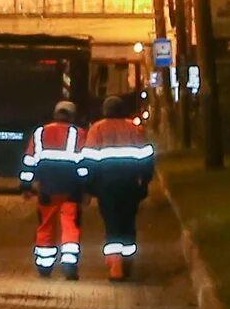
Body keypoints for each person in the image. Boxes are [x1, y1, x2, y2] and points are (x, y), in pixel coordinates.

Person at [83, 92, 158, 279]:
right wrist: (145, 181)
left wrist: (88, 186)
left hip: (106, 185)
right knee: (128, 223)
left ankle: (115, 268)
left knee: (112, 224)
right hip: (130, 184)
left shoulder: (97, 129)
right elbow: (146, 158)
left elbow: (89, 160)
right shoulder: (134, 129)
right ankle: (127, 261)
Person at [25, 99, 90, 279]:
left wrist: (26, 186)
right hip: (71, 188)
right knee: (71, 225)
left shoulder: (40, 133)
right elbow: (84, 165)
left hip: (47, 188)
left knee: (45, 225)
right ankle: (69, 265)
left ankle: (45, 266)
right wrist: (86, 188)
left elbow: (30, 160)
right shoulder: (79, 133)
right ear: (72, 116)